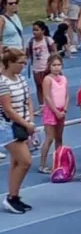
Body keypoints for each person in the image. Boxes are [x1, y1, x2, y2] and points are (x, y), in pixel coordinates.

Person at [1, 48, 34, 214]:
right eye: (20, 63)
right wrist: (26, 124)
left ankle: (14, 196)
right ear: (10, 63)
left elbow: (28, 100)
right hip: (7, 127)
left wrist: (31, 120)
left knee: (16, 162)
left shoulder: (20, 79)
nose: (23, 66)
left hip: (21, 124)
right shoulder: (2, 83)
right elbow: (8, 109)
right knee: (25, 161)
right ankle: (11, 197)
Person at [38, 56, 68, 174]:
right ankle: (42, 164)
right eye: (54, 65)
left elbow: (66, 95)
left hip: (61, 110)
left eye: (58, 65)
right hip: (51, 111)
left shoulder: (64, 78)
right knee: (49, 138)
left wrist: (64, 110)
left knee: (59, 138)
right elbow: (47, 97)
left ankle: (58, 162)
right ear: (49, 66)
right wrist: (56, 111)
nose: (56, 68)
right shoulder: (47, 79)